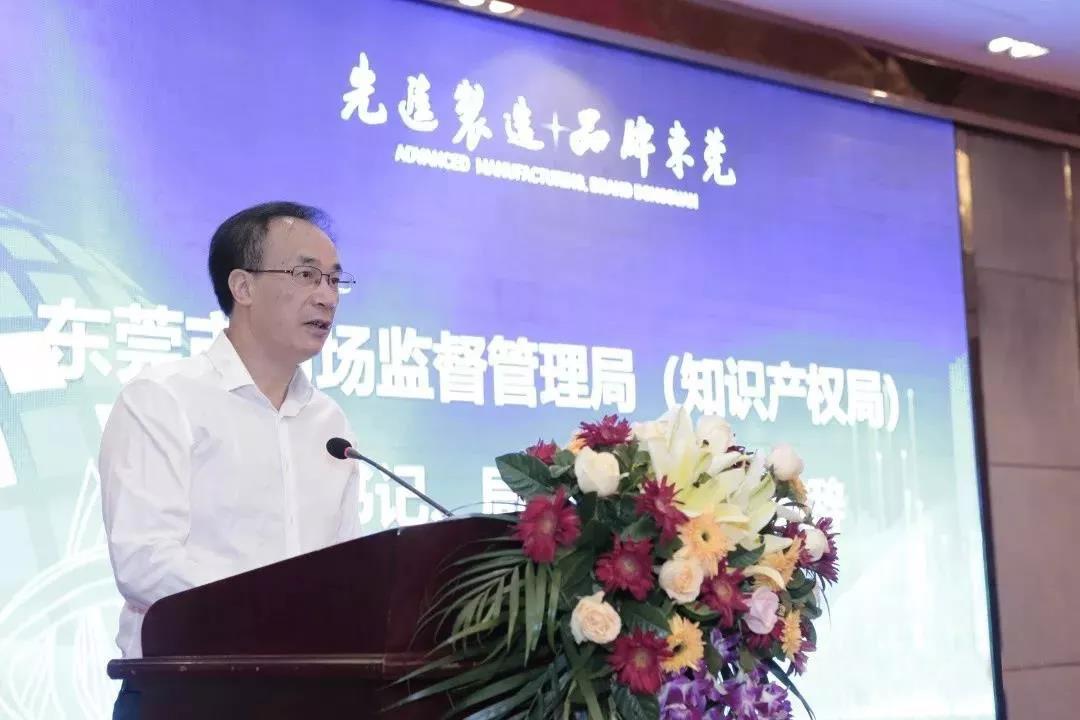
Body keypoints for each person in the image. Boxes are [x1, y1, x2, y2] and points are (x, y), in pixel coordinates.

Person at [99, 202, 361, 719]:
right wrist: (280, 612)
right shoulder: (163, 398)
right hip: (186, 693)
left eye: (334, 280)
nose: (326, 296)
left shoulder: (329, 423)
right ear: (242, 287)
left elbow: (346, 564)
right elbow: (145, 562)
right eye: (306, 275)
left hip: (311, 695)